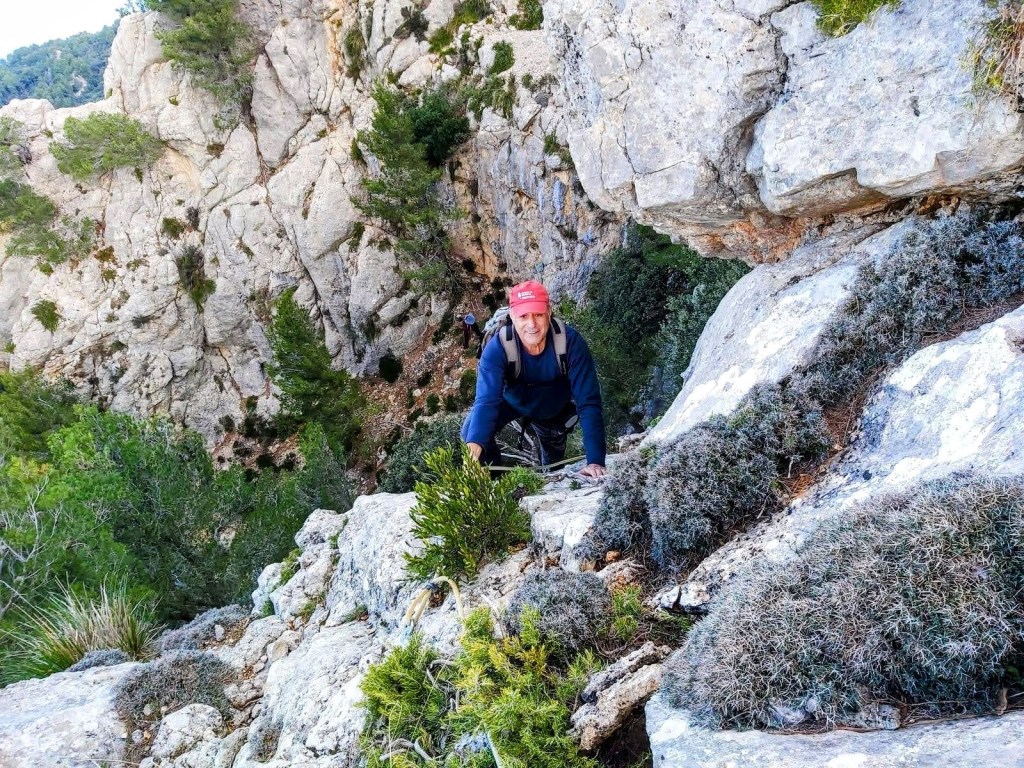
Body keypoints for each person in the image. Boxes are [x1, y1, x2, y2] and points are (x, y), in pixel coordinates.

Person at [461, 280, 607, 479]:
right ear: (512, 315)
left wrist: (595, 461)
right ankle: (493, 483)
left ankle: (551, 475)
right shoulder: (498, 348)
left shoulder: (570, 344)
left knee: (553, 468)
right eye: (523, 316)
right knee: (470, 431)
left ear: (549, 311)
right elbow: (486, 402)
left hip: (553, 411)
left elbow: (588, 402)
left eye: (538, 314)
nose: (532, 324)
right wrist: (473, 456)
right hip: (511, 402)